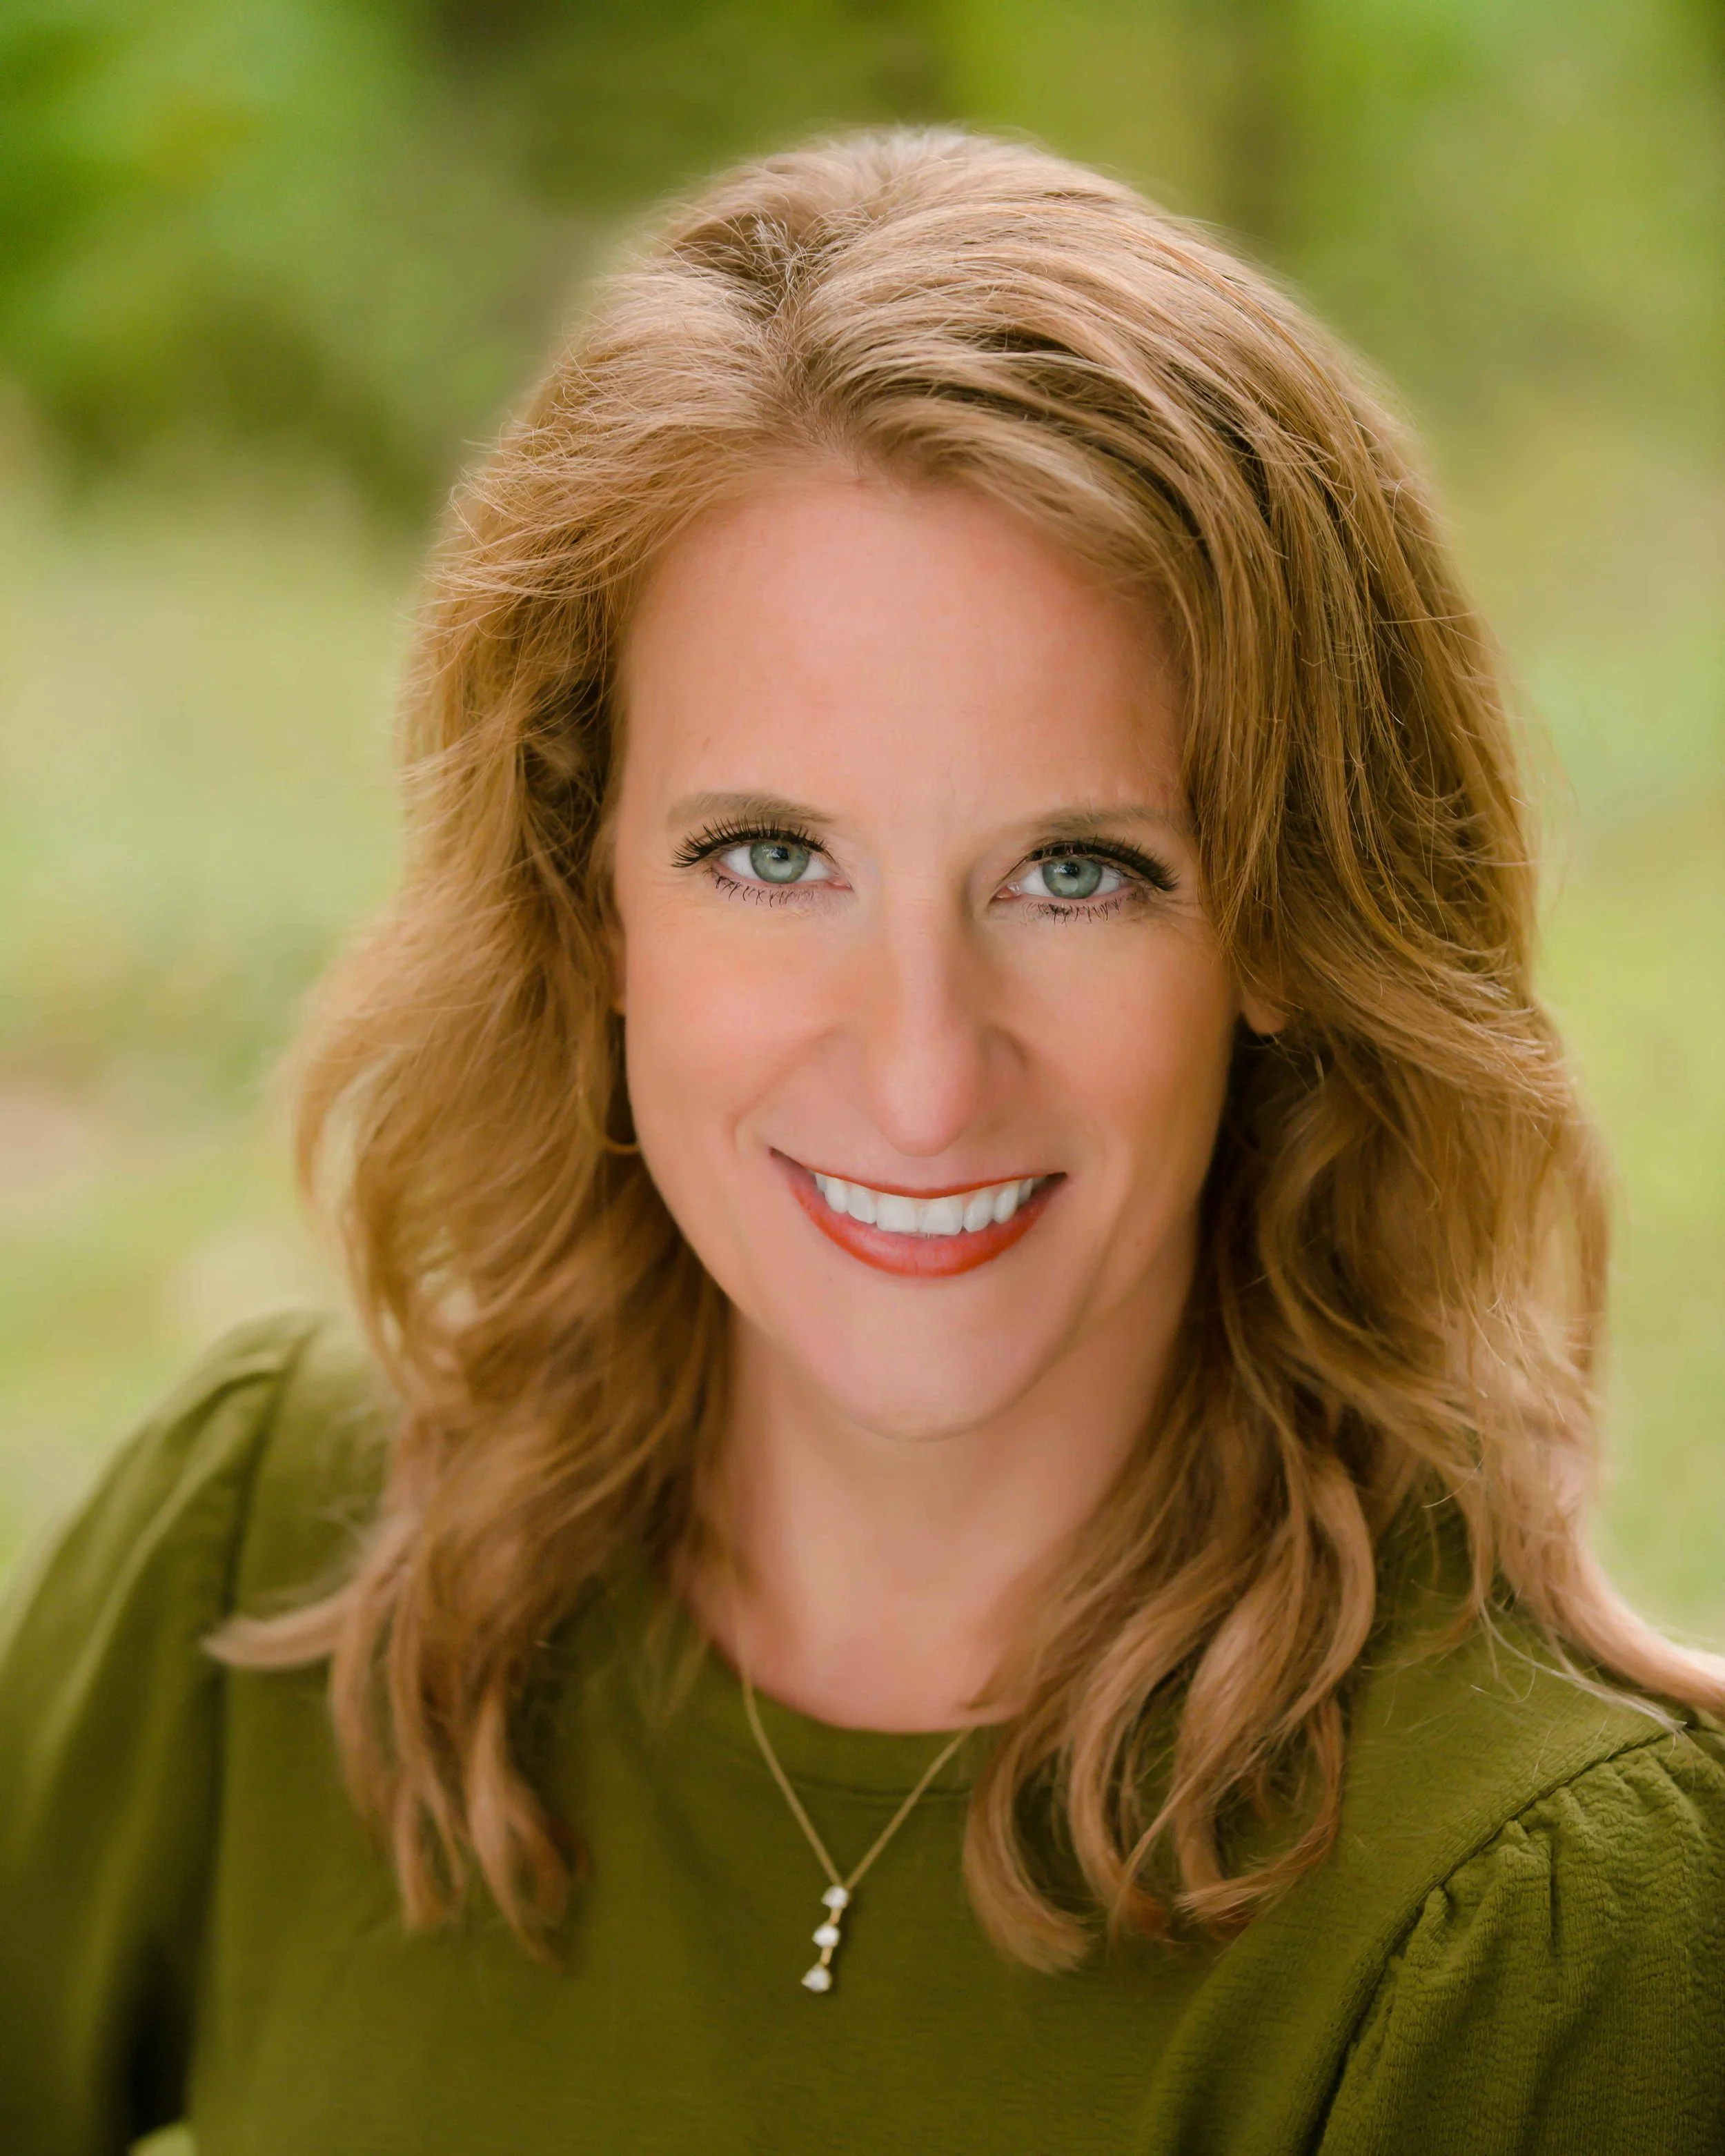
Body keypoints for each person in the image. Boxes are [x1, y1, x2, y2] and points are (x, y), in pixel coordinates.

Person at [1, 128, 1721, 2156]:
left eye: (1079, 870)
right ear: (588, 891)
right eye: (769, 854)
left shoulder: (1537, 1918)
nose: (920, 1074)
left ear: (1281, 922)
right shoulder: (274, 1556)